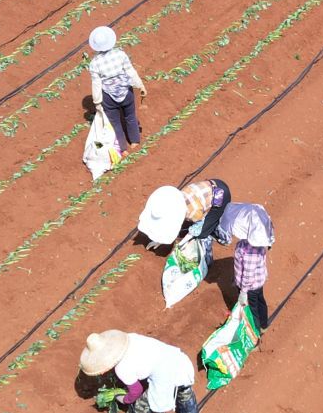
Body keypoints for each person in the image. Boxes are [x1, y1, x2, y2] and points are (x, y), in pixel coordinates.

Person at [80, 331, 200, 413]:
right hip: (178, 360)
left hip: (165, 375)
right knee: (184, 390)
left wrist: (123, 399)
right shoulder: (131, 337)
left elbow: (136, 391)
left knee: (140, 406)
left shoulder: (122, 369)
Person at [214, 201, 275, 330]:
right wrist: (237, 278)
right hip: (258, 282)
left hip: (250, 286)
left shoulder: (250, 252)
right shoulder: (255, 242)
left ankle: (255, 333)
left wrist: (243, 292)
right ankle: (264, 324)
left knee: (251, 310)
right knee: (260, 302)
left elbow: (248, 274)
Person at [86, 24, 146, 155]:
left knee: (115, 123)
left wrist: (97, 102)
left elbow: (96, 84)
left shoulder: (94, 63)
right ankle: (135, 141)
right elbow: (130, 71)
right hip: (126, 92)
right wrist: (140, 85)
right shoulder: (120, 54)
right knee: (130, 116)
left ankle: (123, 149)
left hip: (108, 97)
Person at [138, 179, 233, 247]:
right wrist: (159, 240)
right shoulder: (173, 198)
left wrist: (180, 244)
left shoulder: (193, 213)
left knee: (202, 233)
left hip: (221, 195)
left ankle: (219, 232)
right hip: (210, 185)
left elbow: (195, 229)